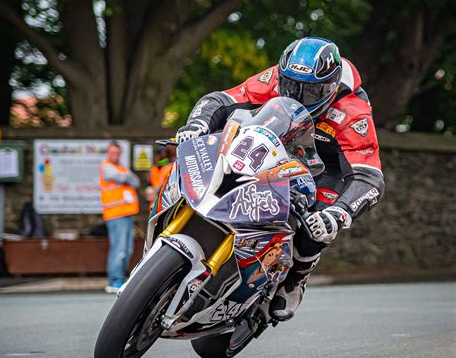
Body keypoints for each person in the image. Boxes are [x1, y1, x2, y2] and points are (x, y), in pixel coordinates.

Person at [176, 37, 385, 320]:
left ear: (330, 86)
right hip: (279, 143)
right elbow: (223, 99)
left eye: (310, 91)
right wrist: (197, 124)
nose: (298, 95)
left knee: (314, 227)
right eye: (292, 86)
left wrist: (339, 212)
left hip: (326, 169)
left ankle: (294, 280)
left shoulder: (352, 111)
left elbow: (370, 176)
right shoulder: (275, 77)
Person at [99, 141, 140, 293]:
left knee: (127, 249)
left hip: (126, 213)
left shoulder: (121, 168)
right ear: (108, 153)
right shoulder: (106, 166)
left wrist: (125, 176)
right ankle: (115, 280)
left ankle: (120, 279)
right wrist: (126, 176)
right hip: (115, 215)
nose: (114, 155)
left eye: (117, 153)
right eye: (112, 153)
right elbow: (122, 178)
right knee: (119, 248)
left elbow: (135, 182)